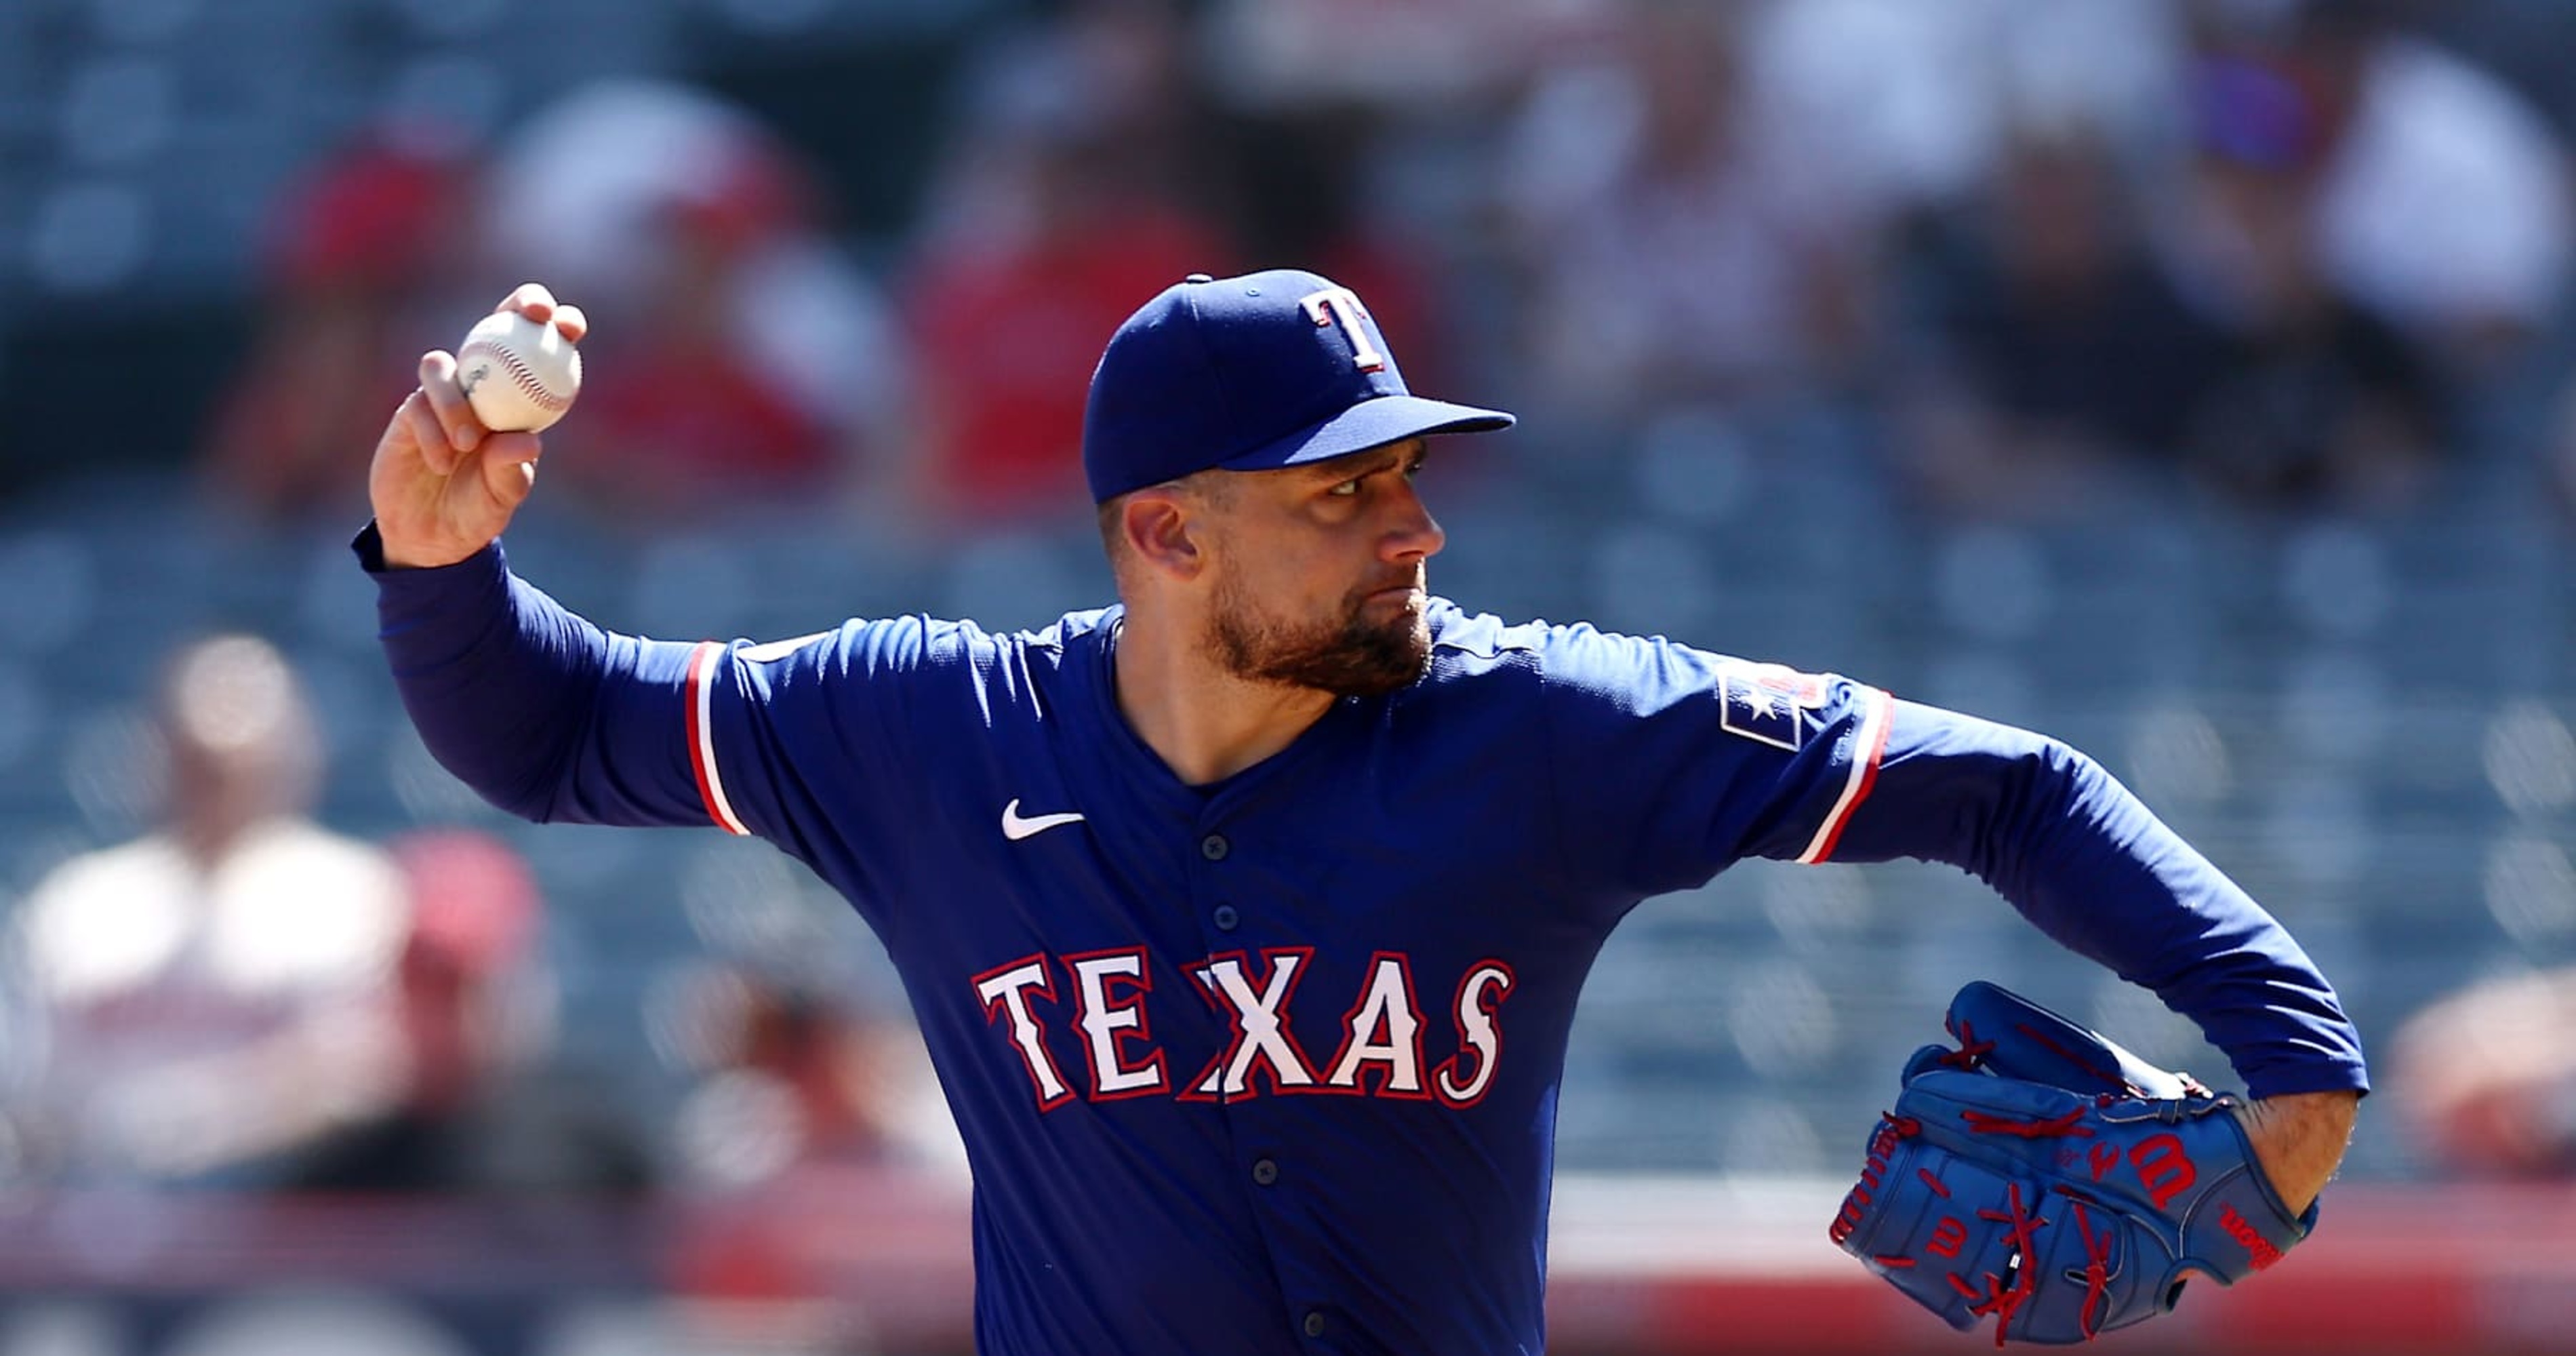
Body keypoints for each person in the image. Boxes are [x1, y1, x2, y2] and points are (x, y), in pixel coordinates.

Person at [357, 273, 2367, 1354]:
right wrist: (438, 567)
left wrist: (2287, 1046)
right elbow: (548, 732)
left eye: (1405, 474)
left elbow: (1999, 781)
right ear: (1163, 534)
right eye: (1340, 494)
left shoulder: (1544, 725)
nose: (1409, 524)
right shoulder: (929, 730)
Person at [14, 635, 410, 1185]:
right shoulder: (80, 899)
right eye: (197, 761)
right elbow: (38, 1087)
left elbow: (368, 1074)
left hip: (289, 1211)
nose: (216, 784)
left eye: (237, 765)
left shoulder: (359, 893)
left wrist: (212, 1118)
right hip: (99, 1210)